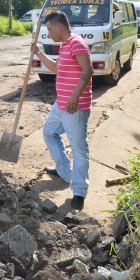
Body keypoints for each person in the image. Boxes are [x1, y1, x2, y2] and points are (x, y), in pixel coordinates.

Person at [31, 11, 94, 210]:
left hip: (75, 105)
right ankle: (65, 171)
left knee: (78, 148)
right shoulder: (65, 45)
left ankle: (79, 191)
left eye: (50, 29)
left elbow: (88, 70)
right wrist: (39, 53)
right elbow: (57, 69)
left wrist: (75, 96)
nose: (48, 33)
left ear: (60, 26)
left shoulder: (77, 43)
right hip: (62, 104)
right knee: (49, 132)